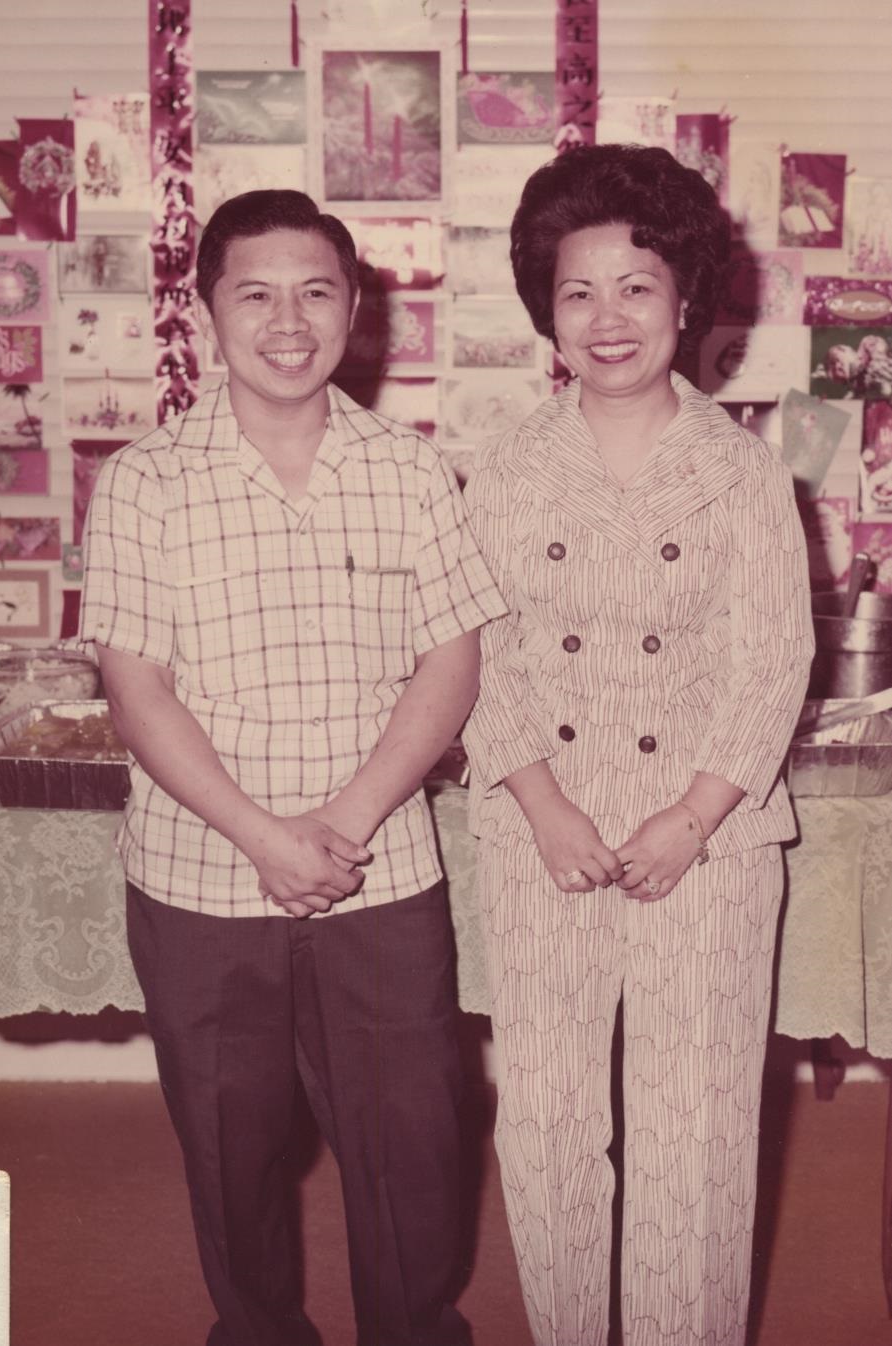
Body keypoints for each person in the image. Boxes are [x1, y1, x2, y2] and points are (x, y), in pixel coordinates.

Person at [78, 189, 506, 1346]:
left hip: (383, 871)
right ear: (204, 312)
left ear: (355, 310)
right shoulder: (144, 480)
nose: (287, 320)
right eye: (254, 293)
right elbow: (137, 688)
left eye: (316, 291)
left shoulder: (409, 471)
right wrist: (266, 836)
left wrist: (347, 821)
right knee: (232, 1143)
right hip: (202, 876)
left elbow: (451, 662)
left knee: (413, 1139)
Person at [462, 144, 815, 1346]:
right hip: (541, 827)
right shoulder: (506, 466)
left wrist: (693, 816)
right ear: (545, 310)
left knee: (693, 1123)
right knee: (548, 1118)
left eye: (636, 286)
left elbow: (774, 659)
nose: (607, 318)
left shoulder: (744, 472)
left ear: (686, 298)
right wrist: (544, 803)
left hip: (708, 835)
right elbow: (475, 652)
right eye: (578, 291)